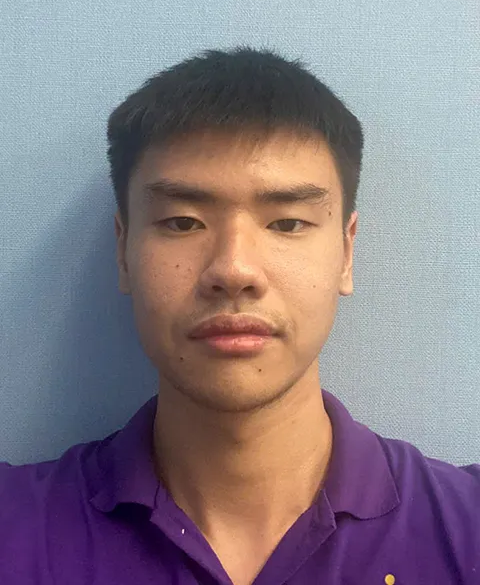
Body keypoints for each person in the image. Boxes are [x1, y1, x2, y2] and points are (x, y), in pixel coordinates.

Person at [0, 45, 478, 585]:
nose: (233, 269)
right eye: (182, 222)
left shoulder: (467, 527)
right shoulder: (13, 530)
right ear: (123, 249)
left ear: (346, 253)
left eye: (287, 223)